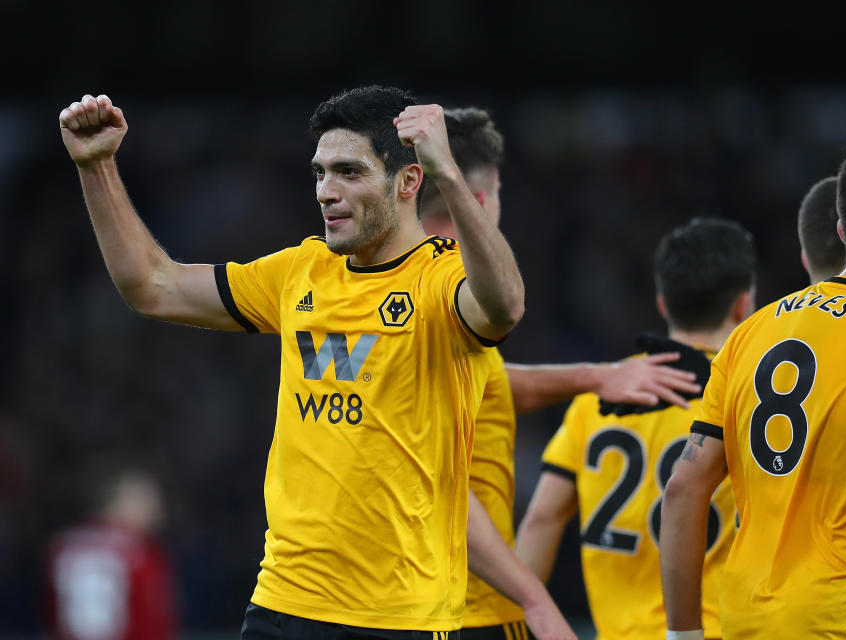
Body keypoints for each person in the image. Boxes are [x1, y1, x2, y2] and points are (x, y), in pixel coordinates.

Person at [58, 88, 572, 640]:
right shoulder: (300, 271)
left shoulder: (441, 279)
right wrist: (97, 167)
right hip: (284, 604)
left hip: (399, 617)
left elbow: (506, 306)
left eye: (349, 172)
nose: (327, 191)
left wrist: (447, 169)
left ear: (408, 182)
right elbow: (153, 287)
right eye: (320, 173)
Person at [661, 135, 846, 640]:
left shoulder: (751, 333)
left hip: (746, 623)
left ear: (843, 229)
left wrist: (683, 634)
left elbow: (683, 489)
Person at [418, 108, 701, 640]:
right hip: (458, 606)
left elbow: (481, 385)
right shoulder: (451, 286)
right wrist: (534, 599)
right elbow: (433, 481)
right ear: (480, 202)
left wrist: (592, 377)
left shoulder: (401, 280)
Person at [511, 218, 754, 640]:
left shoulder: (597, 400)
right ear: (743, 304)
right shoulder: (747, 400)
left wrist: (512, 626)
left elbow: (541, 521)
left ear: (663, 303)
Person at [46, 471, 177, 640]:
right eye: (147, 502)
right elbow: (154, 625)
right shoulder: (139, 553)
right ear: (122, 503)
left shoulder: (61, 548)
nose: (156, 512)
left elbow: (50, 615)